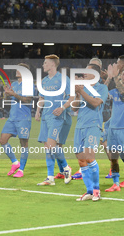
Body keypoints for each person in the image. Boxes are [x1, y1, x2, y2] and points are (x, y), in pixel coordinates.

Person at [35, 54, 73, 186]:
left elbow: (71, 97)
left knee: (51, 145)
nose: (43, 65)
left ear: (52, 64)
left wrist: (62, 108)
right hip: (46, 115)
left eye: (45, 63)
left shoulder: (63, 79)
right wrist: (38, 111)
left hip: (57, 116)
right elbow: (42, 98)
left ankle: (66, 168)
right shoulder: (44, 81)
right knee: (47, 147)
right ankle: (50, 177)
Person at [72, 64, 108, 201]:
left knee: (89, 156)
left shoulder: (102, 88)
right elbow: (75, 108)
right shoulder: (83, 88)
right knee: (81, 160)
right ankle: (89, 191)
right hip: (79, 126)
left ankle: (96, 190)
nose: (84, 74)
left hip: (93, 125)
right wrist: (76, 94)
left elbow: (95, 103)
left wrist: (81, 92)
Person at [0, 63, 33, 178]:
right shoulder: (14, 84)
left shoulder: (29, 84)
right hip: (12, 117)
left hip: (23, 117)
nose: (17, 71)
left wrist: (14, 94)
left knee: (23, 143)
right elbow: (9, 98)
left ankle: (21, 170)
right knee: (3, 140)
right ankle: (15, 162)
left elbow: (28, 100)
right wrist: (7, 94)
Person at [104, 65, 124, 192]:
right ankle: (115, 183)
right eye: (123, 74)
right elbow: (101, 94)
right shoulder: (113, 92)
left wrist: (114, 77)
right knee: (113, 157)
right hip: (113, 128)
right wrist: (108, 78)